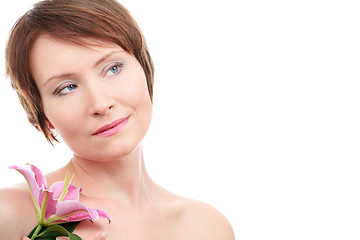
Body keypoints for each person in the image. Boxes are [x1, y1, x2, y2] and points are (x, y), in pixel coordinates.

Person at [0, 0, 235, 239]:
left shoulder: (208, 227)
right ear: (43, 114)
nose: (101, 104)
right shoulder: (9, 214)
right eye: (67, 87)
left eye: (113, 68)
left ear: (144, 67)